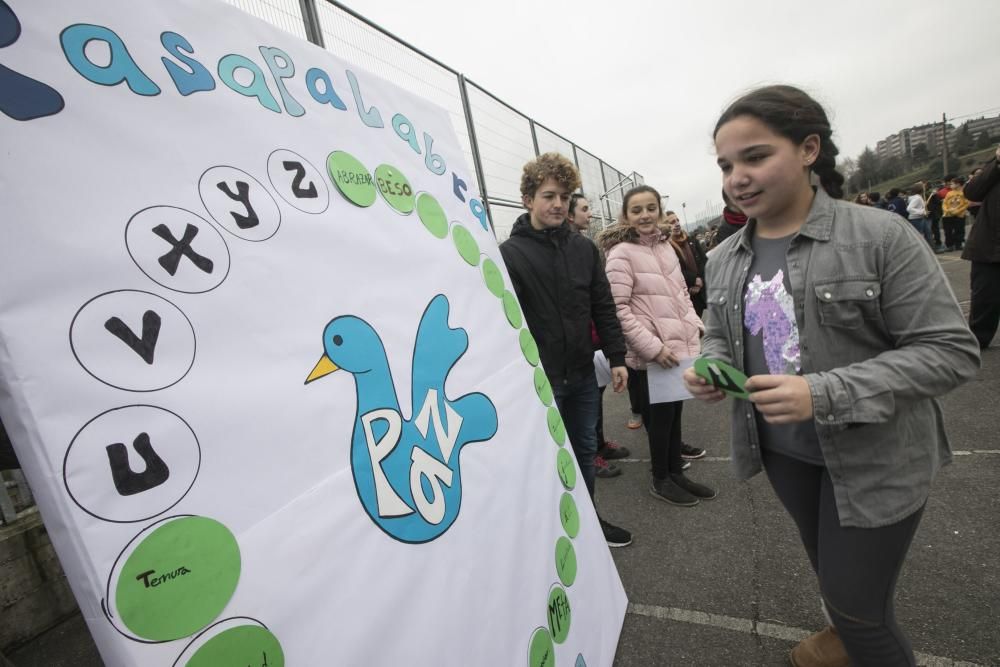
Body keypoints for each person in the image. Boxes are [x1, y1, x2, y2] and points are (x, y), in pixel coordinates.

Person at [685, 85, 980, 666]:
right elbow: (718, 331)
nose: (736, 177)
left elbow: (949, 351)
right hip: (784, 455)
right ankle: (840, 642)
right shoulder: (723, 257)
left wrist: (821, 392)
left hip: (875, 457)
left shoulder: (879, 236)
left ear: (808, 149)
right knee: (837, 584)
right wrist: (711, 365)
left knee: (858, 611)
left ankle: (848, 640)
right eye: (725, 165)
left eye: (755, 156)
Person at [499, 152, 632, 547]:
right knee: (545, 461)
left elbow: (603, 305)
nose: (558, 204)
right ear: (528, 199)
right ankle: (551, 534)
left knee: (585, 449)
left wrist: (617, 356)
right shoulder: (509, 254)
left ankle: (587, 523)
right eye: (548, 195)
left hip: (583, 375)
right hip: (541, 383)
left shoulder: (584, 249)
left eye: (564, 196)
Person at [600, 186, 715, 507]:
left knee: (676, 414)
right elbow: (617, 307)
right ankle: (661, 478)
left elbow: (681, 294)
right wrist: (652, 347)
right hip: (651, 357)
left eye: (651, 208)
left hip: (679, 348)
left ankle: (676, 472)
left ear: (660, 212)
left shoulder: (666, 248)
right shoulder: (621, 253)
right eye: (637, 210)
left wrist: (696, 325)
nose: (645, 215)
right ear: (626, 216)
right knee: (660, 421)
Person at [568, 192, 630, 476]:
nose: (589, 214)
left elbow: (599, 299)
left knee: (595, 396)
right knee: (582, 405)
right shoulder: (563, 252)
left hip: (594, 340)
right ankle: (589, 453)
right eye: (584, 209)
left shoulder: (584, 248)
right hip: (576, 347)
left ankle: (599, 443)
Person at [961, 144, 1000, 350]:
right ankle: (976, 340)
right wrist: (997, 163)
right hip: (989, 245)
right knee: (985, 298)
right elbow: (972, 192)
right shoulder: (994, 167)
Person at [941, 176, 970, 250]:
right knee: (948, 231)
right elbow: (944, 203)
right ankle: (949, 245)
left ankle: (958, 244)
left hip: (959, 215)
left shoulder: (964, 193)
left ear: (958, 184)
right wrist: (946, 210)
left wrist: (958, 211)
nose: (950, 185)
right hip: (948, 215)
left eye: (952, 184)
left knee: (959, 230)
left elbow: (966, 204)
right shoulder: (949, 193)